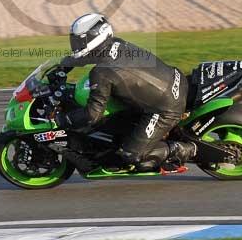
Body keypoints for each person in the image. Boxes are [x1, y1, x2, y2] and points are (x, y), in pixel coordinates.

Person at [54, 13, 198, 173]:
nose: (76, 45)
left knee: (131, 155)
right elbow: (89, 56)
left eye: (80, 41)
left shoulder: (101, 73)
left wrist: (61, 120)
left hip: (166, 109)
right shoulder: (116, 44)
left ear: (94, 38)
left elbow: (92, 115)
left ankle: (186, 149)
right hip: (174, 80)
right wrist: (62, 67)